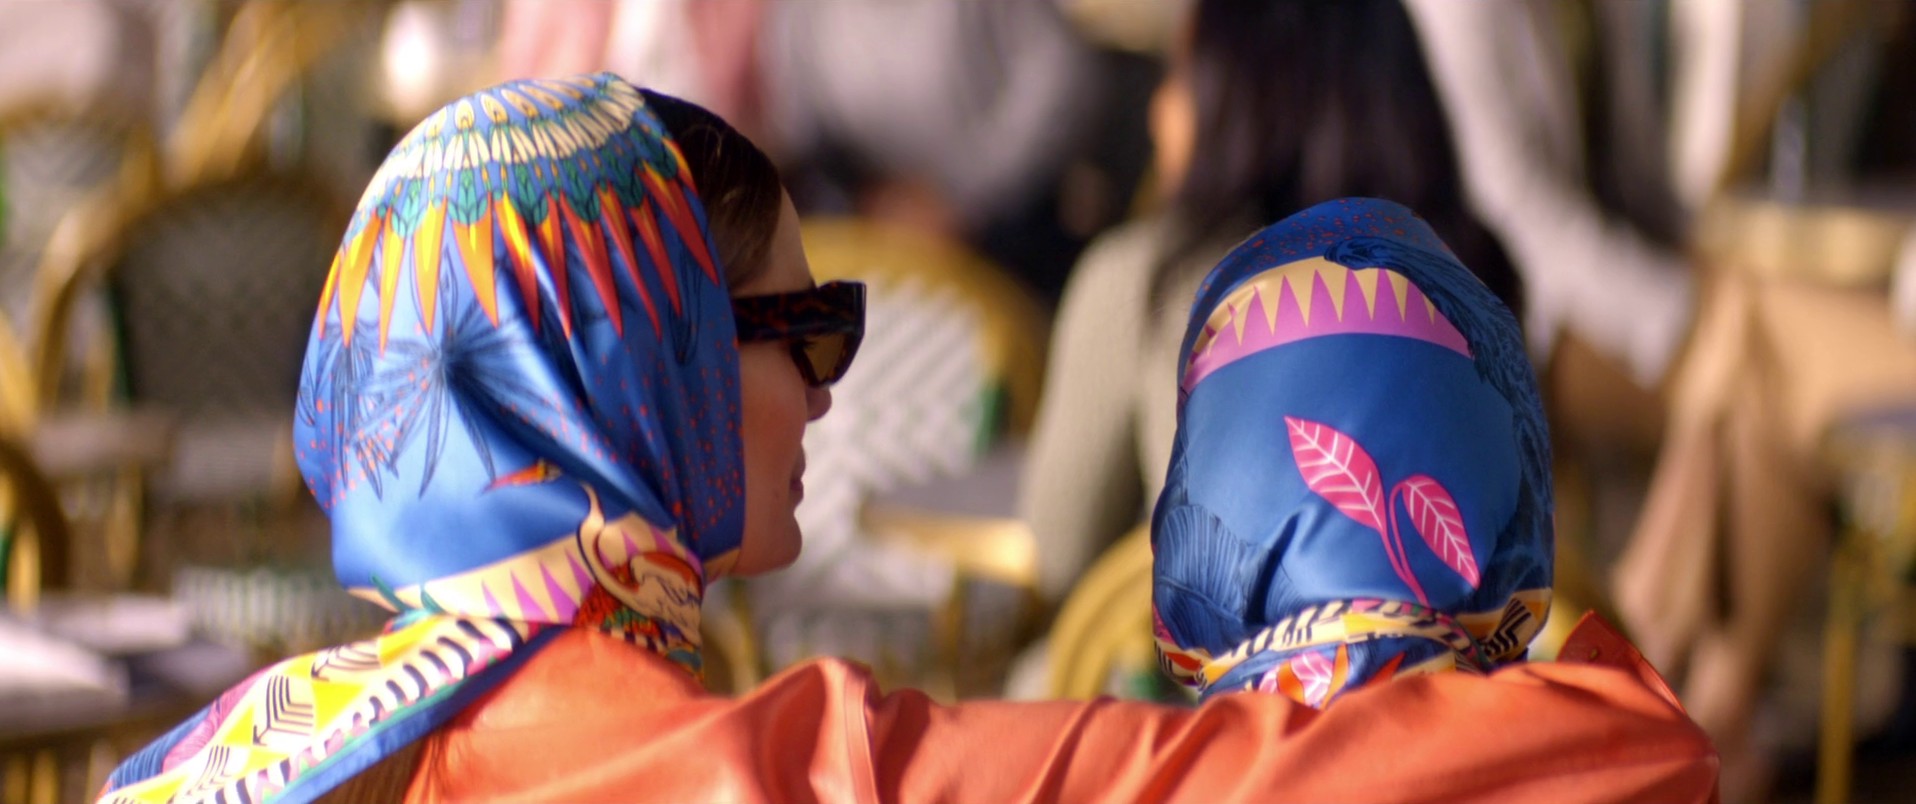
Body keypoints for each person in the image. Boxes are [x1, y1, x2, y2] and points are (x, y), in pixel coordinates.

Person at [96, 76, 1712, 803]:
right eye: (796, 332)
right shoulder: (729, 770)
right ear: (621, 376)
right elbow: (1597, 756)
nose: (829, 389)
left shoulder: (291, 738)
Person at [1023, 0, 1522, 605]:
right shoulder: (1476, 272)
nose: (1159, 114)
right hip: (1460, 690)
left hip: (1221, 694)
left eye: (1179, 76)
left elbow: (1056, 552)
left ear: (1236, 100)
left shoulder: (1149, 280)